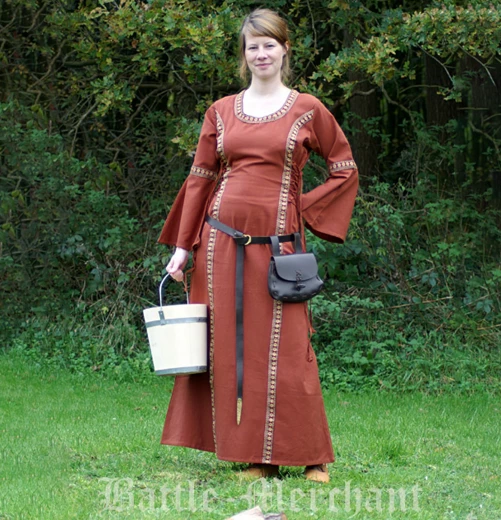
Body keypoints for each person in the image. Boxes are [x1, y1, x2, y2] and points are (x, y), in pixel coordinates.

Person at [158, 8, 358, 483]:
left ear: (285, 50)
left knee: (290, 349)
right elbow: (200, 178)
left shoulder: (308, 108)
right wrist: (182, 248)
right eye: (253, 46)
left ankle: (313, 455)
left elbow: (344, 167)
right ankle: (258, 458)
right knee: (231, 350)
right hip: (219, 246)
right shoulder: (221, 111)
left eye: (269, 45)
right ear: (244, 54)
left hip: (279, 250)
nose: (261, 54)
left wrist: (302, 208)